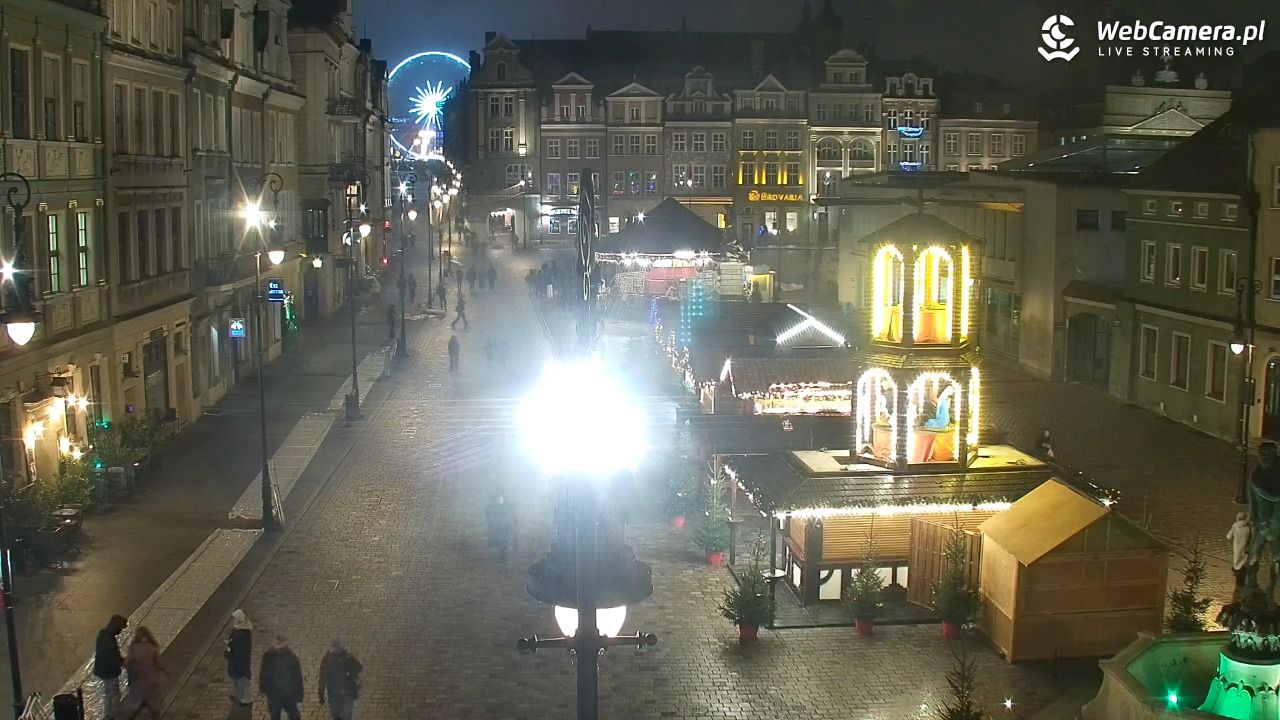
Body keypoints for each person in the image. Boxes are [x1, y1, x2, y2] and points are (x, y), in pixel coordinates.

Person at [259, 636, 304, 720]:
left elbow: (263, 674)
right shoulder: (292, 657)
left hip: (275, 694)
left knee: (276, 713)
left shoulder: (268, 656)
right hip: (287, 694)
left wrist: (263, 688)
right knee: (292, 713)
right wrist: (300, 694)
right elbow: (297, 678)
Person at [125, 626, 165, 719]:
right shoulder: (153, 646)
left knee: (139, 698)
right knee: (153, 698)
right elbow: (158, 663)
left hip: (138, 677)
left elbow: (127, 663)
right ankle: (155, 715)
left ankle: (135, 715)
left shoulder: (133, 647)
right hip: (152, 676)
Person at [318, 639, 363, 720]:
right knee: (347, 715)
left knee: (335, 715)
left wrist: (321, 695)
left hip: (334, 694)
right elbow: (359, 668)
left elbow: (322, 679)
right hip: (347, 692)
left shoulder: (327, 660)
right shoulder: (347, 657)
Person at [94, 614, 128, 720]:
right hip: (109, 671)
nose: (120, 632)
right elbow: (113, 657)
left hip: (103, 669)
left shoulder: (103, 634)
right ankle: (112, 716)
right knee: (113, 694)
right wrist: (124, 663)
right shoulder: (108, 639)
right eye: (120, 629)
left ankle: (110, 714)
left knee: (110, 693)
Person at [225, 609, 253, 707]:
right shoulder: (237, 629)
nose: (233, 621)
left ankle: (246, 700)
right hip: (236, 661)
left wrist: (230, 651)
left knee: (242, 682)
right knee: (236, 680)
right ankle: (240, 697)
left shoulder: (243, 634)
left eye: (235, 619)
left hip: (240, 662)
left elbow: (242, 650)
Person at [1229, 512, 1253, 593]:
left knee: (1237, 559)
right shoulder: (1248, 527)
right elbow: (1252, 536)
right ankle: (1242, 575)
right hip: (1245, 546)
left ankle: (1239, 578)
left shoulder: (1235, 525)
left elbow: (1228, 536)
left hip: (1236, 545)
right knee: (1244, 559)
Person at [486, 494, 515, 561]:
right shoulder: (494, 508)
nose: (499, 500)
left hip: (505, 529)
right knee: (500, 544)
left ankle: (504, 558)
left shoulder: (505, 509)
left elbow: (508, 518)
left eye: (501, 499)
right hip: (498, 529)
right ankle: (502, 557)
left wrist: (507, 526)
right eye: (498, 499)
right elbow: (492, 518)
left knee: (504, 544)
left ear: (503, 500)